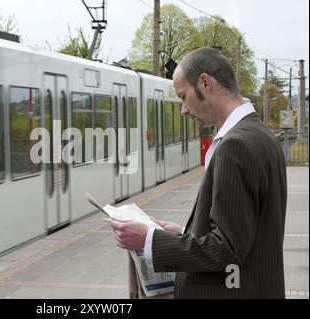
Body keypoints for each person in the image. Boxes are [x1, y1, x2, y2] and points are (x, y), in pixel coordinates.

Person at [111, 47, 287, 299]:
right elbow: (242, 232)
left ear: (204, 83)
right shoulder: (261, 135)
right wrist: (183, 233)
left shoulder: (234, 146)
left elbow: (226, 250)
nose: (183, 110)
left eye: (184, 96)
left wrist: (148, 239)